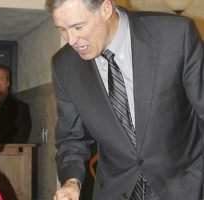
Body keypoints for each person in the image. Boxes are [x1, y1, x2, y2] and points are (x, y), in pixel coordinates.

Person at [45, 0, 204, 199]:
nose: (71, 40)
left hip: (185, 187)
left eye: (78, 27)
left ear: (105, 9)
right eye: (62, 29)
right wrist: (71, 180)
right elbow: (71, 138)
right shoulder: (65, 65)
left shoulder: (174, 35)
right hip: (115, 191)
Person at [0, 64, 32, 143]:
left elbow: (20, 138)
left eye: (1, 78)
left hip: (9, 154)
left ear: (8, 82)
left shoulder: (20, 108)